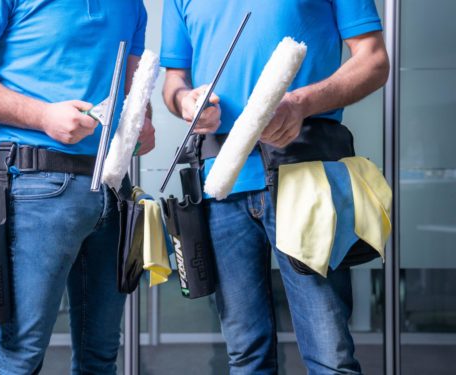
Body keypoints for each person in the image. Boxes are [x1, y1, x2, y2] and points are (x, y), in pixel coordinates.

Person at [161, 0, 389, 373]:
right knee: (245, 356)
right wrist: (186, 102)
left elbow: (374, 60)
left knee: (330, 357)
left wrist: (301, 103)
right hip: (220, 185)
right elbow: (174, 81)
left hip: (306, 179)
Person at [0, 1, 154, 374]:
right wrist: (44, 115)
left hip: (114, 188)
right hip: (38, 186)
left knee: (101, 356)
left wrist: (141, 123)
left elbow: (133, 93)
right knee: (20, 356)